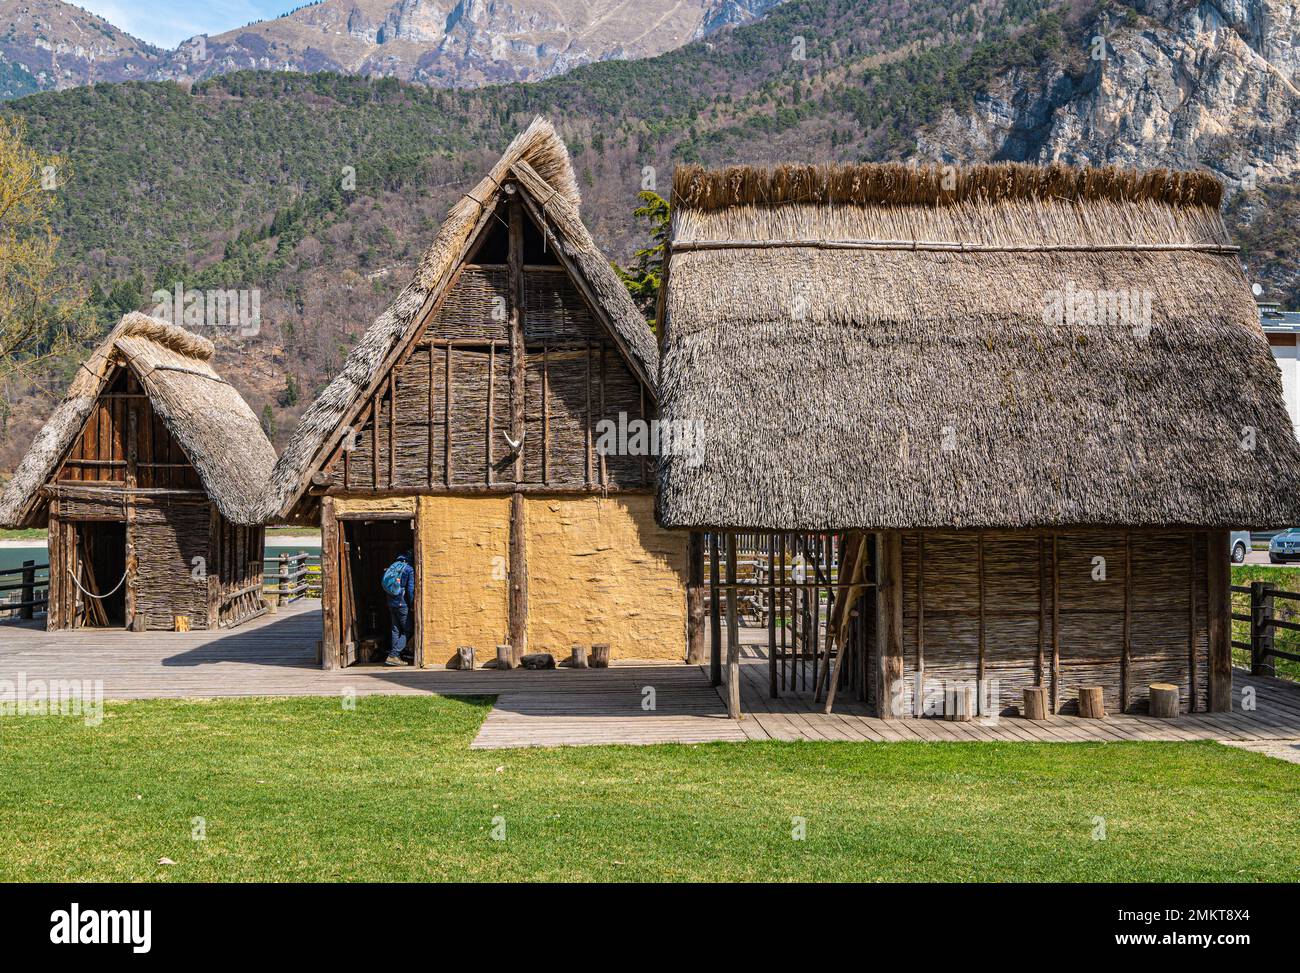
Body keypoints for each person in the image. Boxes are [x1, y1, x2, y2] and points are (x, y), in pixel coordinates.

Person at [381, 551, 415, 666]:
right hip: (402, 604)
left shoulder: (393, 566)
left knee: (395, 630)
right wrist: (412, 605)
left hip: (391, 603)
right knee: (408, 630)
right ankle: (393, 655)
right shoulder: (409, 569)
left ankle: (395, 657)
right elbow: (410, 590)